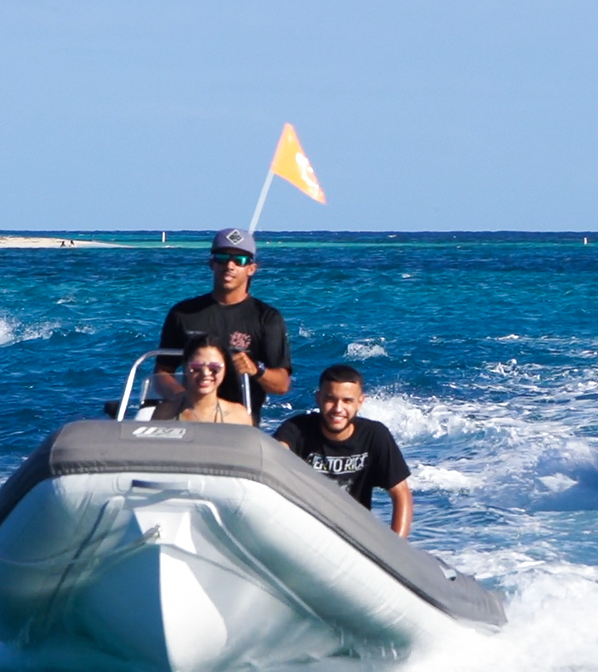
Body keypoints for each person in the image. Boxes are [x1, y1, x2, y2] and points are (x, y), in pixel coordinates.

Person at [155, 228, 292, 424]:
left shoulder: (267, 318)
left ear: (251, 268)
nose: (229, 265)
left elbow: (281, 386)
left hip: (240, 422)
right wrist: (184, 397)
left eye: (239, 261)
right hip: (189, 418)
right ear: (212, 263)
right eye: (222, 258)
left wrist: (256, 370)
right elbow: (162, 373)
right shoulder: (182, 314)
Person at [273, 365, 413, 538]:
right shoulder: (297, 429)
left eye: (347, 401)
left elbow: (401, 494)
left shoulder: (374, 435)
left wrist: (397, 547)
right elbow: (278, 451)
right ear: (319, 398)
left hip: (355, 536)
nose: (338, 409)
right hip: (303, 534)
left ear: (360, 402)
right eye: (330, 399)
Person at [152, 335, 253, 425]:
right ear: (185, 367)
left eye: (214, 368)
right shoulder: (164, 414)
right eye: (197, 367)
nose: (205, 373)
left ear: (225, 369)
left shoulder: (239, 417)